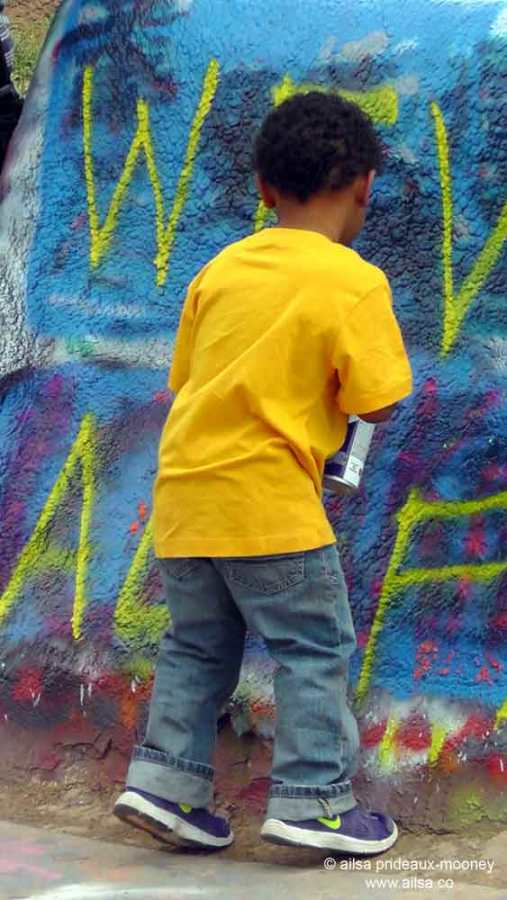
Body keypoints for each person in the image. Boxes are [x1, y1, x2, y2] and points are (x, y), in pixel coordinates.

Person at [114, 91, 413, 855]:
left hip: (184, 498)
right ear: (365, 187)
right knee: (312, 647)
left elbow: (187, 381)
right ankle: (314, 802)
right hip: (269, 503)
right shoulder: (352, 280)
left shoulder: (220, 270)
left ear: (262, 188)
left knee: (195, 646)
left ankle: (164, 788)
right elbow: (377, 402)